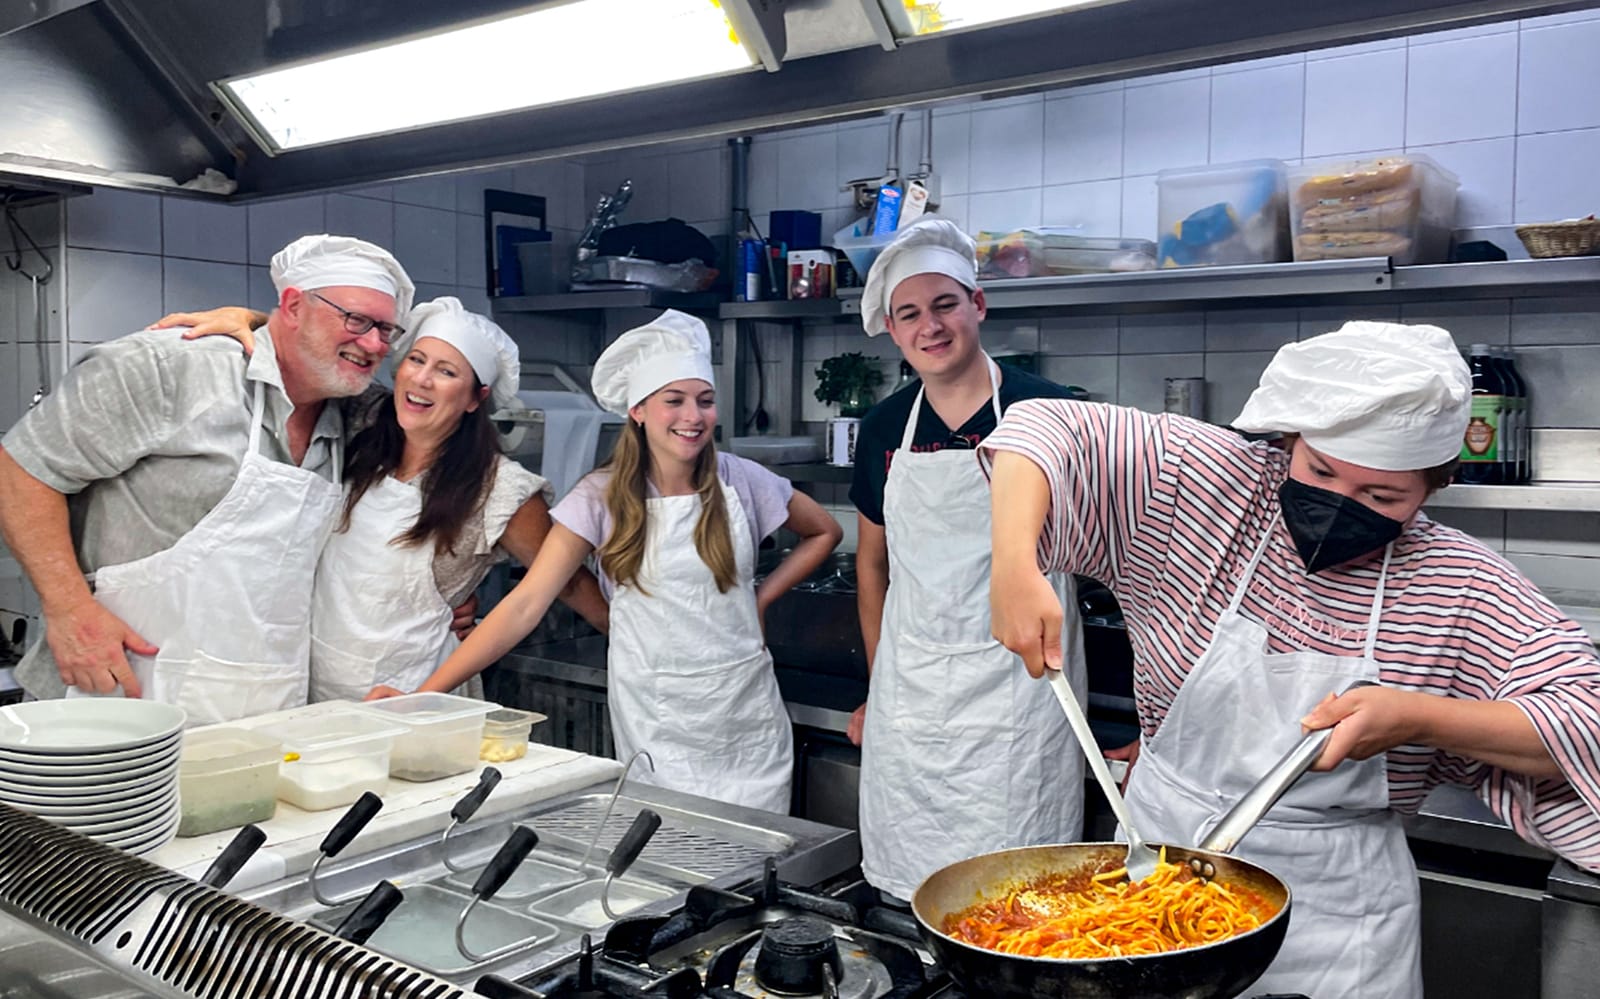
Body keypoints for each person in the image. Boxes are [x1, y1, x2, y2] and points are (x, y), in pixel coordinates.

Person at [984, 321, 1600, 998]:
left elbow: (1585, 722)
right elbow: (1045, 429)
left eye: (1381, 496)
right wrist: (1014, 561)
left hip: (1338, 921)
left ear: (1435, 484)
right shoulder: (1212, 489)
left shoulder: (1456, 584)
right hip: (1153, 879)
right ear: (1289, 441)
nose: (1337, 505)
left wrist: (1418, 717)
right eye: (1321, 471)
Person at [380, 310, 843, 812]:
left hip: (745, 718)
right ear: (639, 410)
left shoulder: (742, 480)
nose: (693, 416)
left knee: (755, 865)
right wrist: (422, 696)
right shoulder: (600, 497)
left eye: (705, 401)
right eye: (674, 401)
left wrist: (762, 598)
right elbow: (526, 602)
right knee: (669, 852)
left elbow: (824, 532)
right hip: (656, 719)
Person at [0, 235, 412, 724]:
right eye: (356, 320)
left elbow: (448, 407)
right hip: (110, 696)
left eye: (385, 330)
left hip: (256, 715)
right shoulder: (169, 366)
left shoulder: (353, 414)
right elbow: (19, 469)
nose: (372, 344)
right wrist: (68, 609)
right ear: (294, 305)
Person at [158, 298, 611, 701]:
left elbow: (563, 581)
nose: (423, 380)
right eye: (416, 360)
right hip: (309, 689)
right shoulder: (361, 423)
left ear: (477, 398)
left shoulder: (500, 490)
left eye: (447, 372)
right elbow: (325, 348)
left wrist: (628, 640)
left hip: (414, 698)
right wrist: (250, 317)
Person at [846, 217, 1088, 903]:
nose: (932, 325)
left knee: (1022, 899)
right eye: (911, 313)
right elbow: (873, 564)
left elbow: (1116, 553)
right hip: (912, 696)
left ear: (977, 305)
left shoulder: (1051, 409)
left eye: (946, 303)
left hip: (1023, 694)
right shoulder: (886, 426)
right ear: (893, 330)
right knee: (912, 894)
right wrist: (878, 682)